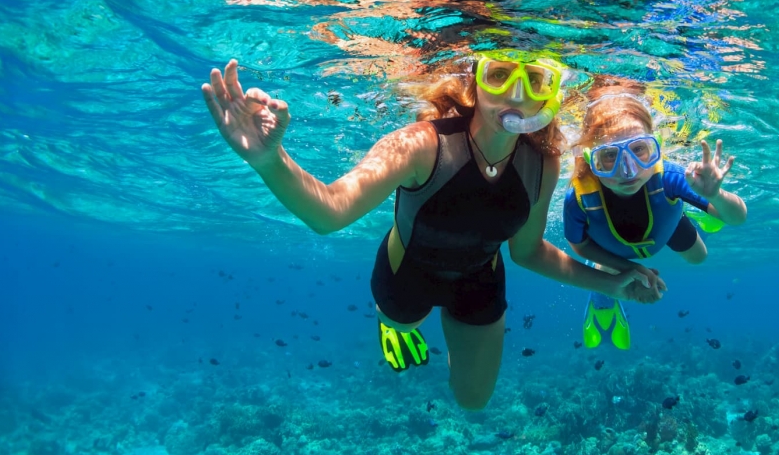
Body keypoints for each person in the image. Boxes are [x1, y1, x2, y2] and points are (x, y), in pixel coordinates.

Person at [201, 52, 662, 410]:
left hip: (481, 278)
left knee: (473, 401)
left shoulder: (543, 162)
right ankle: (394, 326)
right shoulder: (422, 143)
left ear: (549, 94)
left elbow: (527, 253)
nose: (517, 95)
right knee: (402, 322)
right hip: (408, 272)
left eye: (535, 80)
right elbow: (330, 212)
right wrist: (268, 160)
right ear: (474, 82)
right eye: (500, 75)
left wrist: (613, 282)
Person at [564, 82, 748, 350]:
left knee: (700, 257)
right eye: (610, 156)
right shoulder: (579, 198)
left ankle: (697, 208)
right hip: (611, 248)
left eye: (639, 150)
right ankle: (602, 298)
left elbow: (738, 218)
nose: (628, 171)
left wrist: (715, 196)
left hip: (666, 223)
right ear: (591, 159)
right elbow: (578, 245)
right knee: (609, 272)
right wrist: (629, 269)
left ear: (656, 147)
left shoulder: (671, 177)